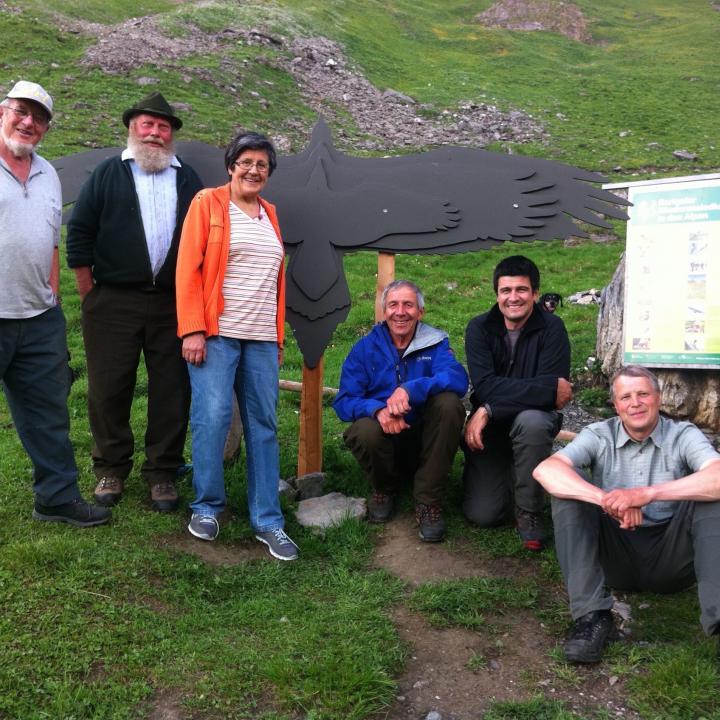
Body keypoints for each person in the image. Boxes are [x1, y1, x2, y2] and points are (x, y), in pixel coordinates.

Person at [66, 92, 203, 513]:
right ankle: (111, 468)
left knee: (172, 389)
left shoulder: (188, 179)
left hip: (171, 303)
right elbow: (80, 232)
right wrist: (92, 294)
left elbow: (203, 241)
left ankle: (162, 472)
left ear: (172, 135)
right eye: (148, 125)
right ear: (132, 129)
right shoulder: (109, 173)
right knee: (109, 388)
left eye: (163, 127)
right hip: (113, 301)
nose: (155, 133)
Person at [534, 365, 720, 663]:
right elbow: (545, 470)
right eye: (626, 397)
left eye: (643, 394)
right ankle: (591, 618)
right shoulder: (599, 434)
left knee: (712, 497)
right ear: (616, 405)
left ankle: (717, 617)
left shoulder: (683, 434)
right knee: (568, 491)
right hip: (613, 555)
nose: (635, 403)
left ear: (659, 398)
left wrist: (646, 494)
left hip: (671, 558)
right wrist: (607, 500)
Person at [175, 131, 298, 561]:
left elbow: (274, 282)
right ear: (231, 166)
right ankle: (207, 506)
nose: (253, 170)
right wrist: (192, 328)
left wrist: (278, 338)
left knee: (263, 424)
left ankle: (268, 520)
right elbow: (187, 268)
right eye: (246, 162)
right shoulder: (208, 203)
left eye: (262, 164)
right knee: (213, 416)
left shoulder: (271, 214)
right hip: (217, 333)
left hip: (262, 337)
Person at [0, 80, 110, 527]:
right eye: (21, 111)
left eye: (39, 117)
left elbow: (50, 241)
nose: (29, 122)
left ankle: (56, 497)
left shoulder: (47, 173)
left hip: (39, 317)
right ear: (2, 112)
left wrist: (52, 298)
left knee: (48, 413)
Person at [333, 280, 468, 542]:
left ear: (420, 311)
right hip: (384, 440)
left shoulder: (436, 342)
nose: (400, 312)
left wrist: (411, 389)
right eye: (393, 305)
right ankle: (384, 488)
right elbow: (344, 401)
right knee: (364, 429)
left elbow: (458, 379)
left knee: (450, 403)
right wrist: (378, 410)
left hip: (424, 439)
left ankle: (428, 499)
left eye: (408, 305)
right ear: (385, 312)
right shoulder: (364, 348)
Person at [463, 255, 572, 550]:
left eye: (521, 290)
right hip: (492, 433)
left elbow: (555, 397)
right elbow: (485, 386)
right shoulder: (479, 328)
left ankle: (529, 510)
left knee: (533, 419)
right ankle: (512, 476)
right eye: (506, 290)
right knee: (484, 515)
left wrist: (491, 407)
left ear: (535, 293)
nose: (513, 298)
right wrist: (542, 388)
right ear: (497, 294)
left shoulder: (552, 328)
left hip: (532, 424)